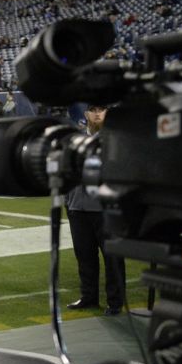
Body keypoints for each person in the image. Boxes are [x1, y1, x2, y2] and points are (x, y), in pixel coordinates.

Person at [66, 104, 125, 315]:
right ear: (86, 113)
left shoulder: (116, 139)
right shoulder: (75, 139)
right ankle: (88, 297)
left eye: (101, 109)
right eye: (93, 109)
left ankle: (115, 302)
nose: (97, 113)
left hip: (105, 208)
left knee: (112, 257)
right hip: (77, 206)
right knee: (84, 256)